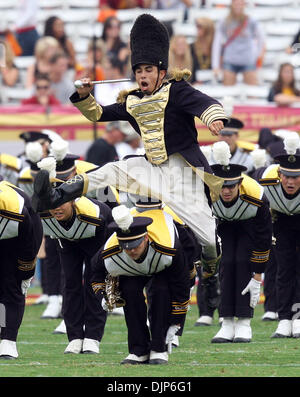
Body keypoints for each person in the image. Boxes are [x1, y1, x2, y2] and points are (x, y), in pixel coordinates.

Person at [32, 13, 228, 282]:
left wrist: (213, 118)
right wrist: (83, 94)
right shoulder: (131, 101)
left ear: (161, 72)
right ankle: (56, 195)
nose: (142, 75)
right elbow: (97, 114)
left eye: (148, 70)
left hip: (182, 172)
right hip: (150, 168)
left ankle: (211, 271)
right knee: (111, 170)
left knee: (207, 238)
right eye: (138, 70)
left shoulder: (178, 90)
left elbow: (205, 102)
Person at [91, 204, 190, 364]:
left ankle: (159, 348)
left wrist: (176, 321)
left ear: (145, 238)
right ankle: (138, 350)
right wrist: (102, 295)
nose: (131, 250)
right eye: (125, 245)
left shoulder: (169, 248)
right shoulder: (109, 251)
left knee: (161, 290)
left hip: (163, 269)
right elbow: (95, 273)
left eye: (135, 244)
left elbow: (182, 285)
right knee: (129, 291)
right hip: (131, 273)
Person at [35, 154, 113, 354]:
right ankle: (75, 336)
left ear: (74, 201)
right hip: (66, 240)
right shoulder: (43, 212)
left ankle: (93, 337)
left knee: (93, 282)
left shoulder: (93, 214)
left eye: (61, 203)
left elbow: (112, 228)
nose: (56, 209)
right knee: (69, 283)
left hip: (96, 237)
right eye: (52, 204)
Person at [210, 141, 272, 343]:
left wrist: (258, 275)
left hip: (249, 224)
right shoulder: (206, 194)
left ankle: (244, 322)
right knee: (226, 264)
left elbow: (263, 236)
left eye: (231, 186)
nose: (226, 191)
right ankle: (226, 321)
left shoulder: (257, 196)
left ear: (239, 184)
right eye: (222, 187)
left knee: (243, 262)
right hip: (223, 225)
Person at [253, 133, 300, 338]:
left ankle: (297, 318)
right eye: (287, 176)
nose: (290, 181)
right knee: (284, 269)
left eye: (296, 177)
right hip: (280, 220)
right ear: (279, 174)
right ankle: (284, 320)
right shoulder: (265, 177)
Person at [0, 180, 43, 359]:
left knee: (12, 286)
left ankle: (8, 342)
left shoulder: (15, 210)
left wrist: (26, 272)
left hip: (19, 236)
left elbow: (28, 244)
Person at [211, 0, 265, 86]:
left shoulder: (251, 21)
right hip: (230, 60)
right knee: (228, 94)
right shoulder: (224, 21)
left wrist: (257, 56)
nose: (238, 6)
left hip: (248, 60)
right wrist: (215, 66)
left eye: (241, 3)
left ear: (244, 5)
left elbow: (261, 38)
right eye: (236, 3)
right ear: (231, 4)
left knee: (252, 92)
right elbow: (217, 43)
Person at [190, 17, 215, 83]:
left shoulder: (215, 48)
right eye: (197, 26)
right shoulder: (192, 47)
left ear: (208, 28)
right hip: (195, 83)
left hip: (213, 81)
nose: (197, 28)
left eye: (200, 26)